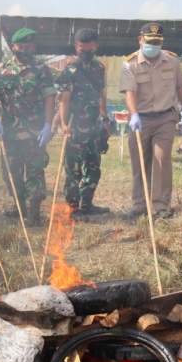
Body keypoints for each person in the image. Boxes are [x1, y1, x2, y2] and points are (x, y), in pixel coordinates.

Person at [0, 27, 55, 226]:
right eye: (21, 45)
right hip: (10, 132)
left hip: (35, 132)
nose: (25, 49)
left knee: (35, 172)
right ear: (13, 46)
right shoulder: (2, 69)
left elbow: (50, 97)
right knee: (10, 172)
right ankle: (19, 206)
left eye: (29, 46)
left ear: (33, 47)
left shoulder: (41, 70)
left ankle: (33, 214)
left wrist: (48, 124)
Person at [120, 23, 182, 220]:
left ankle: (161, 206)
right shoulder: (129, 63)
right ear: (140, 40)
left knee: (161, 159)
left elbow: (181, 87)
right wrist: (134, 114)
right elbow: (129, 92)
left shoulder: (172, 61)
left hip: (165, 118)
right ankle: (139, 204)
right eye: (149, 42)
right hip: (140, 119)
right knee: (140, 162)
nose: (153, 46)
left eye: (157, 43)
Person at [55, 27, 110, 219]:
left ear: (95, 46)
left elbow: (102, 95)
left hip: (94, 126)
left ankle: (87, 204)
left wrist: (105, 118)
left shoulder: (100, 68)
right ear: (76, 46)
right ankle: (72, 207)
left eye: (89, 48)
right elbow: (64, 100)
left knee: (93, 167)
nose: (85, 52)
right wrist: (63, 124)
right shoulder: (69, 70)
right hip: (75, 126)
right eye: (81, 48)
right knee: (74, 170)